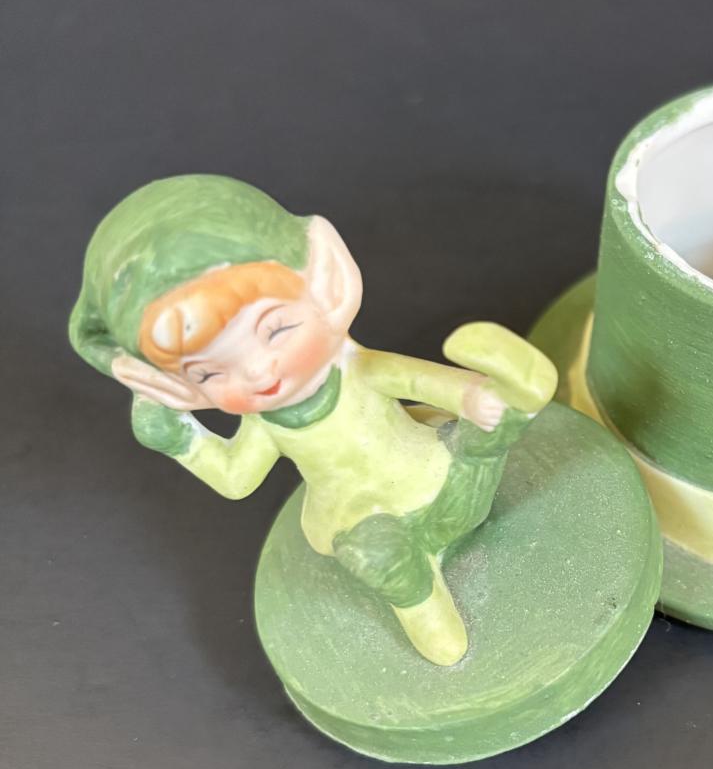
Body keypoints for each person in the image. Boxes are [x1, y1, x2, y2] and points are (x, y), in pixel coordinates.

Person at [69, 175, 556, 666]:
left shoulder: (361, 369)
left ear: (328, 285)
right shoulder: (267, 423)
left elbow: (422, 382)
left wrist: (472, 397)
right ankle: (425, 609)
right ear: (179, 388)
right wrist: (180, 441)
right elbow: (236, 479)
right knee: (379, 557)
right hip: (368, 520)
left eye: (275, 330)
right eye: (209, 373)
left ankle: (520, 391)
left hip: (441, 477)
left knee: (486, 431)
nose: (257, 372)